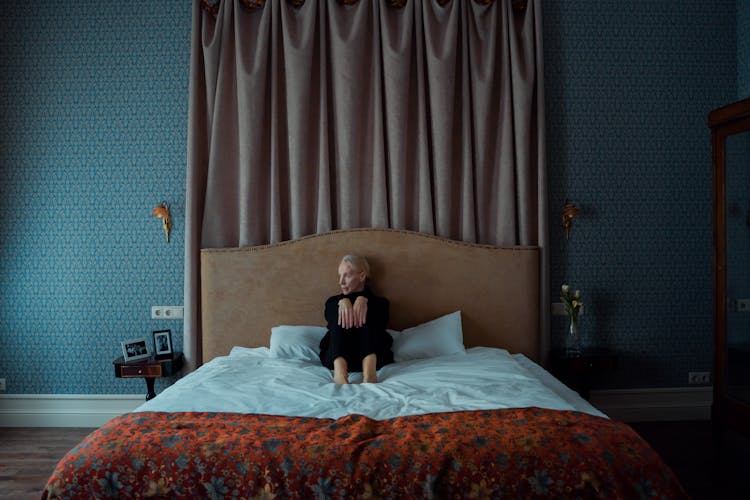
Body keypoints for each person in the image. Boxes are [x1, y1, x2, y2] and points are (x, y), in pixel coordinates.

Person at [318, 255, 394, 384]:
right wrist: (342, 302)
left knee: (368, 312)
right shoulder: (332, 302)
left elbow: (381, 321)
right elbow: (331, 322)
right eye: (339, 276)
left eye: (346, 276)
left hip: (376, 358)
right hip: (337, 357)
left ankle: (369, 373)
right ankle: (340, 373)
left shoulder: (381, 303)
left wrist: (365, 300)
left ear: (362, 276)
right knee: (338, 312)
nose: (340, 282)